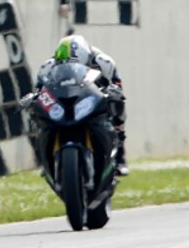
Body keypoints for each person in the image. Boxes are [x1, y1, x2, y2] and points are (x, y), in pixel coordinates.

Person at [33, 35, 129, 175]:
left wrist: (112, 90)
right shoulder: (48, 66)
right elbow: (38, 89)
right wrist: (34, 97)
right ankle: (46, 161)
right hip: (66, 99)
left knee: (118, 110)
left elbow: (117, 85)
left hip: (94, 97)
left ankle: (120, 156)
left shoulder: (104, 62)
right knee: (39, 117)